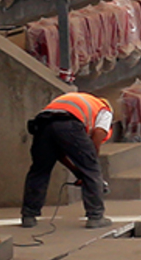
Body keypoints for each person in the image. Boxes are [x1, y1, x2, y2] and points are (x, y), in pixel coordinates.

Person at [21, 91, 113, 229]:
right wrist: (89, 164)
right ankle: (96, 216)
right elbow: (99, 133)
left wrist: (77, 171)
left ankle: (28, 215)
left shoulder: (77, 100)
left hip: (42, 125)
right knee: (92, 170)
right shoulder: (104, 110)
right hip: (69, 123)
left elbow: (57, 153)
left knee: (39, 170)